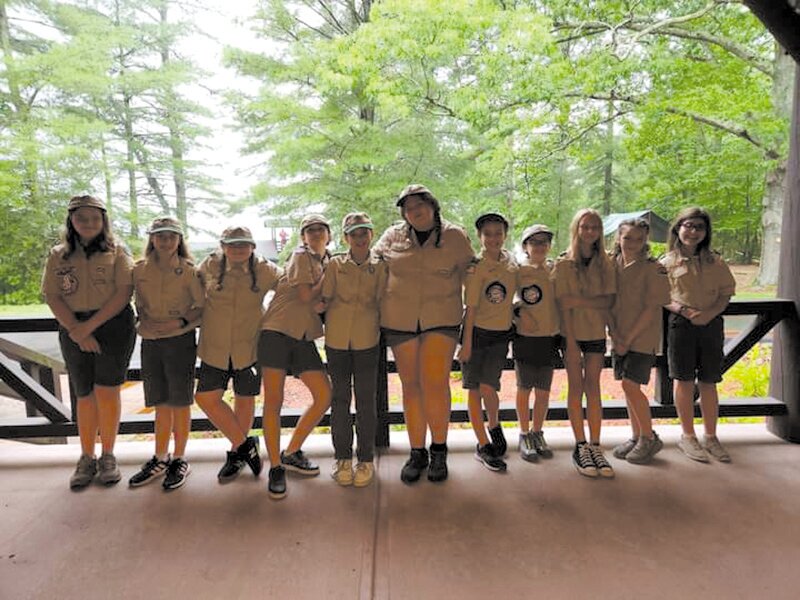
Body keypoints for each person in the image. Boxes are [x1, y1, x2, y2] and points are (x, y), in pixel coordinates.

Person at [373, 184, 474, 484]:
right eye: (408, 207)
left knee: (435, 383)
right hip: (400, 321)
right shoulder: (393, 235)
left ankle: (439, 449)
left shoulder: (455, 236)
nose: (414, 211)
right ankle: (417, 451)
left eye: (420, 204)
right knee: (411, 386)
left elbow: (474, 274)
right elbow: (370, 266)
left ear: (433, 206)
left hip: (441, 319)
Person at [42, 195, 135, 490]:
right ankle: (86, 457)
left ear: (103, 220)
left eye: (95, 218)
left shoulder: (117, 251)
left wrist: (88, 329)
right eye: (81, 218)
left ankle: (108, 455)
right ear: (71, 220)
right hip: (73, 326)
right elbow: (52, 294)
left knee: (106, 392)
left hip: (113, 326)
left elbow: (123, 294)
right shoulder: (58, 254)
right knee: (83, 394)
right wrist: (75, 329)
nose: (89, 223)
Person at [195, 226, 282, 483]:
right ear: (223, 246)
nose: (237, 249)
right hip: (215, 346)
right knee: (206, 398)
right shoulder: (209, 266)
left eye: (243, 245)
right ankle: (246, 446)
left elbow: (288, 286)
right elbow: (190, 290)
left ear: (252, 247)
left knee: (245, 399)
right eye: (232, 245)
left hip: (250, 346)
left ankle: (236, 454)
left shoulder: (264, 269)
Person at [259, 214, 333, 500]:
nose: (315, 234)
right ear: (303, 237)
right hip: (276, 333)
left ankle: (291, 452)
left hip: (302, 337)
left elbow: (319, 303)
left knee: (324, 395)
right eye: (310, 230)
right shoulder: (302, 256)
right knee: (273, 402)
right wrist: (330, 280)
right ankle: (275, 466)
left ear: (328, 234)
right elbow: (306, 297)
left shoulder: (325, 261)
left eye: (320, 229)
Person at [129, 217, 204, 490]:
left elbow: (200, 306)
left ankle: (179, 458)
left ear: (179, 240)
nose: (165, 241)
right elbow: (130, 303)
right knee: (160, 402)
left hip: (180, 341)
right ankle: (160, 457)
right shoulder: (138, 270)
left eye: (171, 236)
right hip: (151, 342)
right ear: (152, 239)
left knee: (180, 401)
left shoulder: (188, 271)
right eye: (160, 236)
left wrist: (180, 323)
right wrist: (140, 323)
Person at [662, 207, 736, 463]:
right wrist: (684, 310)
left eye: (699, 227)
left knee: (709, 381)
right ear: (678, 228)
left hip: (712, 325)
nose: (693, 232)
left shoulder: (716, 261)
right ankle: (688, 436)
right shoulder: (666, 262)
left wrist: (710, 314)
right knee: (682, 380)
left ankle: (711, 436)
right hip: (681, 325)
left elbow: (726, 292)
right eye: (688, 225)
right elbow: (661, 296)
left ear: (706, 233)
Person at [321, 212, 387, 487]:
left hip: (367, 340)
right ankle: (342, 457)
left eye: (364, 232)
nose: (359, 238)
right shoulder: (335, 264)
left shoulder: (381, 266)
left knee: (366, 401)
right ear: (346, 237)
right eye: (354, 234)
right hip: (336, 340)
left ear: (371, 234)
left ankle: (366, 458)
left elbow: (383, 301)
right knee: (339, 399)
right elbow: (324, 299)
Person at [554, 208, 616, 478]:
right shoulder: (564, 263)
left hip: (595, 333)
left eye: (595, 227)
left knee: (594, 387)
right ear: (576, 229)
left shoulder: (606, 263)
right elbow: (562, 305)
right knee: (575, 387)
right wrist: (569, 342)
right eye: (585, 227)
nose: (590, 232)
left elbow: (608, 301)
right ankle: (580, 445)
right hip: (571, 334)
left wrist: (579, 301)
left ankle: (595, 444)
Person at [458, 213, 517, 472]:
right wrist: (467, 343)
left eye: (498, 233)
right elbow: (470, 308)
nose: (494, 238)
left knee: (490, 387)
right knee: (474, 388)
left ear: (505, 235)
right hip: (477, 333)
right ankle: (482, 444)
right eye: (488, 234)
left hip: (500, 334)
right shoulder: (476, 267)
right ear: (480, 237)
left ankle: (493, 424)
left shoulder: (511, 263)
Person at [608, 219, 670, 465]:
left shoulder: (652, 268)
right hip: (619, 336)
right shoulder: (613, 264)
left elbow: (651, 308)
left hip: (641, 337)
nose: (632, 243)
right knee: (626, 387)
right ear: (618, 238)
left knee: (631, 385)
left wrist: (628, 339)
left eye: (638, 239)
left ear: (646, 240)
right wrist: (615, 335)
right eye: (627, 238)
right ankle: (636, 436)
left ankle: (649, 436)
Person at [513, 224, 560, 463]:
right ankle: (524, 433)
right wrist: (520, 313)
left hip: (549, 338)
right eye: (534, 242)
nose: (540, 246)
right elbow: (507, 298)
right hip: (525, 338)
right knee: (524, 388)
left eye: (544, 242)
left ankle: (538, 431)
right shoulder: (519, 270)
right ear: (525, 247)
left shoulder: (555, 269)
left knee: (543, 391)